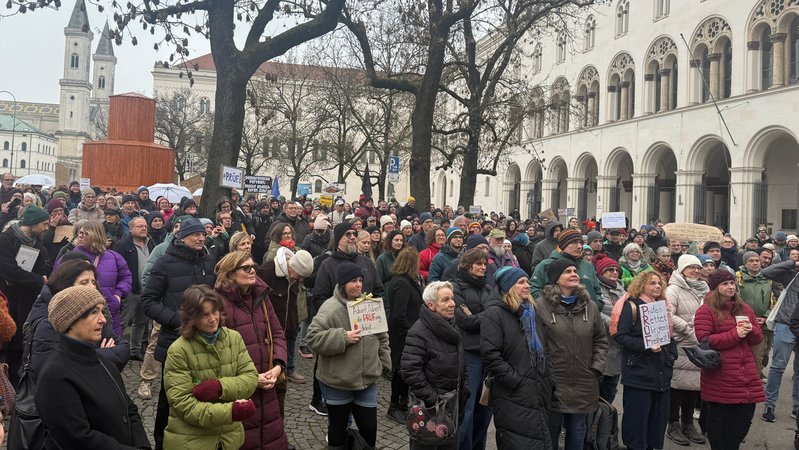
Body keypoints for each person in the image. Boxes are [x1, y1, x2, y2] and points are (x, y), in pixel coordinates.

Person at [35, 286, 151, 449]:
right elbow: (78, 438)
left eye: (102, 311)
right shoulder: (55, 375)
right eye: (93, 312)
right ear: (70, 320)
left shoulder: (102, 361)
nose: (103, 319)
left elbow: (129, 409)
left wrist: (142, 446)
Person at [141, 217, 216, 450]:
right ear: (181, 237)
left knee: (202, 393)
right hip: (175, 341)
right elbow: (148, 301)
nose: (200, 238)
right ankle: (162, 443)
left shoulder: (208, 260)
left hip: (204, 341)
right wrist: (176, 320)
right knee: (170, 397)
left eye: (202, 234)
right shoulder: (165, 262)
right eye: (195, 234)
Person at [307, 262, 392, 450]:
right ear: (343, 283)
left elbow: (382, 335)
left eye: (360, 280)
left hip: (366, 381)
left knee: (369, 429)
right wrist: (342, 337)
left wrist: (384, 363)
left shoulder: (368, 306)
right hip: (338, 382)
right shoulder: (330, 308)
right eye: (353, 281)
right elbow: (312, 338)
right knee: (337, 430)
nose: (358, 285)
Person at [163, 285, 259, 449]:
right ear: (191, 318)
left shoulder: (234, 338)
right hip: (191, 441)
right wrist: (230, 412)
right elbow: (184, 405)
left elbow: (250, 378)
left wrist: (220, 387)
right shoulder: (178, 351)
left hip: (229, 440)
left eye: (215, 312)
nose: (213, 319)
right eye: (205, 315)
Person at [215, 251, 290, 450]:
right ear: (230, 273)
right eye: (246, 268)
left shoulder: (262, 298)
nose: (252, 271)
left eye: (253, 266)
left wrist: (278, 366)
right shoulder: (217, 304)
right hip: (238, 391)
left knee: (272, 438)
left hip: (268, 387)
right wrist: (250, 380)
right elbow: (215, 354)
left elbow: (277, 334)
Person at [534, 259, 607, 449]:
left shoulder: (589, 306)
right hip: (554, 381)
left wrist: (596, 368)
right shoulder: (541, 306)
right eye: (567, 271)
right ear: (556, 279)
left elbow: (600, 339)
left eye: (575, 270)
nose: (574, 274)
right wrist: (545, 374)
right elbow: (536, 344)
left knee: (578, 434)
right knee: (551, 433)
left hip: (584, 380)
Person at [481, 268, 552, 449]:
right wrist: (514, 380)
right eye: (520, 282)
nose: (527, 286)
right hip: (512, 392)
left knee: (539, 439)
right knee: (517, 441)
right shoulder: (495, 314)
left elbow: (545, 348)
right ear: (508, 287)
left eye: (527, 281)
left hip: (536, 388)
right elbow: (490, 353)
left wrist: (549, 379)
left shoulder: (531, 312)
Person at [27, 257, 130, 380]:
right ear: (66, 285)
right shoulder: (48, 321)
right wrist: (98, 356)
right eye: (84, 282)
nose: (92, 287)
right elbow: (49, 371)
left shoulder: (94, 311)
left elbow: (122, 349)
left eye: (93, 282)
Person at [695, 270, 765, 450]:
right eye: (725, 284)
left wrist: (752, 330)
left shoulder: (745, 308)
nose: (730, 287)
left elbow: (757, 339)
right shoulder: (706, 310)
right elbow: (704, 340)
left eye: (732, 283)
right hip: (721, 374)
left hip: (746, 374)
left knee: (742, 422)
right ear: (716, 287)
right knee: (720, 426)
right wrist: (734, 334)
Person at [612, 271, 677, 450]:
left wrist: (671, 355)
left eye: (659, 283)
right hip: (638, 372)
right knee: (637, 420)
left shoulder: (663, 306)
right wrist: (645, 345)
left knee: (657, 421)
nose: (657, 286)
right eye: (652, 283)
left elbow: (670, 338)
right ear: (641, 286)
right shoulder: (632, 306)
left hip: (661, 373)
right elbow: (620, 335)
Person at [401, 281, 464, 450]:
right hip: (430, 409)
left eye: (452, 298)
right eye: (445, 300)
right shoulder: (419, 332)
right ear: (431, 305)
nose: (452, 304)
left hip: (452, 406)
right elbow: (409, 370)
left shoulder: (452, 327)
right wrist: (432, 400)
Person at [0, 205, 51, 385]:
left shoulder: (37, 244)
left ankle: (18, 381)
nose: (47, 228)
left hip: (27, 301)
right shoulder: (5, 240)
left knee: (22, 342)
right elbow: (9, 271)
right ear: (32, 223)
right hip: (7, 300)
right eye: (44, 224)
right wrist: (39, 280)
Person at [56, 220, 132, 337]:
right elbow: (56, 279)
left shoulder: (113, 256)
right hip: (80, 311)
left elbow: (126, 277)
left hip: (108, 311)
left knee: (109, 347)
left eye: (85, 233)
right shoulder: (69, 257)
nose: (80, 236)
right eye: (80, 233)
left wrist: (117, 295)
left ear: (96, 235)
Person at [451, 248, 496, 450]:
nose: (483, 267)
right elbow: (464, 320)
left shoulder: (487, 288)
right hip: (469, 354)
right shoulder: (455, 286)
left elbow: (496, 316)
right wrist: (486, 316)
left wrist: (480, 317)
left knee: (484, 409)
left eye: (485, 264)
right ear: (468, 265)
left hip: (487, 352)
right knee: (467, 411)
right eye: (479, 263)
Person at [664, 255, 708, 446]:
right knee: (677, 386)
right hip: (681, 343)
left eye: (698, 268)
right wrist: (689, 329)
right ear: (682, 270)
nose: (696, 271)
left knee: (693, 385)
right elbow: (667, 313)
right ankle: (672, 423)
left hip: (698, 345)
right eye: (691, 268)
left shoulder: (705, 289)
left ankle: (688, 423)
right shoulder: (673, 289)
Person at [256, 247, 313, 388]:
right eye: (298, 275)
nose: (298, 279)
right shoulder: (268, 271)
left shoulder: (294, 276)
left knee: (289, 345)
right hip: (271, 326)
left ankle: (288, 370)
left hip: (290, 321)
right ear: (291, 266)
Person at [386, 247, 425, 423]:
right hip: (403, 335)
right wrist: (411, 331)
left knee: (405, 370)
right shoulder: (401, 283)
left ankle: (402, 402)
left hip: (407, 332)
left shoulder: (407, 280)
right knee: (400, 371)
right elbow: (398, 314)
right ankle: (394, 406)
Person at [759, 257, 799, 422]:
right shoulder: (793, 273)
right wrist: (792, 263)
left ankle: (797, 408)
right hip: (786, 324)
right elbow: (766, 272)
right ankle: (770, 404)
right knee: (778, 367)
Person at [113, 216, 155, 360]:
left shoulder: (151, 243)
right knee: (123, 321)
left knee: (141, 322)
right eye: (139, 226)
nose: (144, 228)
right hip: (130, 291)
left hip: (146, 290)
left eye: (145, 226)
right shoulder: (122, 245)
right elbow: (117, 268)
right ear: (131, 229)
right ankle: (114, 348)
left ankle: (134, 351)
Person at [531, 229, 603, 309]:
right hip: (556, 316)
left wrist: (597, 304)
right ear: (563, 245)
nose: (579, 246)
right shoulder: (546, 265)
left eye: (581, 243)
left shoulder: (587, 265)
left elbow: (597, 291)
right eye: (574, 243)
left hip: (586, 317)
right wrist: (548, 305)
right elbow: (533, 289)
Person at [737, 251, 774, 381]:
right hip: (743, 321)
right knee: (744, 353)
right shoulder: (738, 278)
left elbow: (775, 299)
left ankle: (754, 379)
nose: (754, 263)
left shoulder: (769, 278)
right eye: (751, 261)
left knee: (761, 353)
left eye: (757, 260)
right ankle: (744, 380)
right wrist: (749, 318)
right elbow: (736, 300)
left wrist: (766, 316)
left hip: (764, 322)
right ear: (745, 263)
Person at [594, 254, 625, 403]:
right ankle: (596, 423)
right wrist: (615, 325)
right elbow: (596, 312)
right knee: (599, 387)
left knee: (612, 385)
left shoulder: (622, 290)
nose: (614, 272)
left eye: (616, 270)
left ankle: (607, 419)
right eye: (609, 270)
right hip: (603, 340)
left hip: (618, 344)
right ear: (601, 272)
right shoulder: (597, 289)